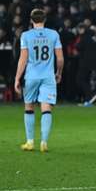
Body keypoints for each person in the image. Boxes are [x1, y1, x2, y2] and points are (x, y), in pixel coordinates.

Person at [15, 9, 63, 153]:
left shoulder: (26, 35)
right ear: (44, 19)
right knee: (46, 108)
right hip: (48, 76)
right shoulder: (53, 34)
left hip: (31, 76)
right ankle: (44, 142)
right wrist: (59, 72)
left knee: (29, 107)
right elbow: (60, 58)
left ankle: (30, 142)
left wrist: (17, 77)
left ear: (31, 20)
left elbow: (23, 59)